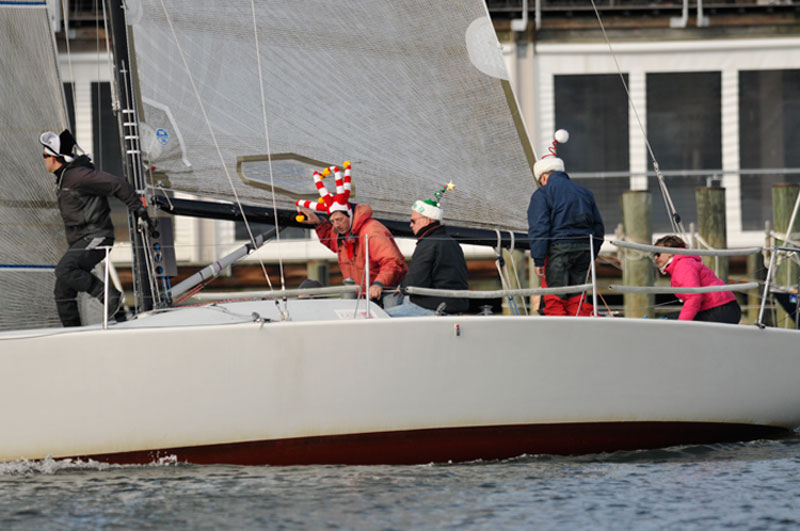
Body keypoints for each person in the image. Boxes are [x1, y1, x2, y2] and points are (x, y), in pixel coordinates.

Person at [41, 129, 150, 327]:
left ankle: (109, 295)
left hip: (97, 236)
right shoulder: (66, 177)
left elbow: (117, 184)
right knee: (62, 292)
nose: (44, 160)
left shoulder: (78, 175)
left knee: (64, 269)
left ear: (55, 158)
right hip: (82, 240)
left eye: (45, 156)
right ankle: (72, 335)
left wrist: (139, 211)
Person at [295, 161, 407, 303]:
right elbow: (332, 242)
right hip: (360, 296)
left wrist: (378, 284)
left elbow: (392, 262)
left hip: (383, 293)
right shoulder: (340, 231)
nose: (336, 224)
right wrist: (318, 222)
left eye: (340, 219)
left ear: (349, 215)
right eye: (333, 220)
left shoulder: (372, 230)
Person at [527, 129, 605, 316]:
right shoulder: (585, 193)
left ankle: (558, 337)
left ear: (543, 176)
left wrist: (538, 259)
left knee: (554, 298)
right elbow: (599, 228)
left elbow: (540, 227)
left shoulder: (543, 194)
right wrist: (591, 252)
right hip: (584, 250)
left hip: (559, 250)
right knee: (577, 299)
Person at [386, 182, 469, 317]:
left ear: (425, 221)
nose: (410, 225)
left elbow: (415, 282)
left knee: (383, 316)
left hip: (434, 307)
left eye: (413, 221)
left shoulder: (428, 244)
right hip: (454, 305)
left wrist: (401, 287)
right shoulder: (452, 242)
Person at [653, 235, 742, 324]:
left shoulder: (683, 265)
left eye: (658, 254)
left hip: (719, 310)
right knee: (671, 318)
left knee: (669, 320)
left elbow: (694, 297)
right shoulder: (685, 262)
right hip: (724, 308)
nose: (655, 258)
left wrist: (681, 324)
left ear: (670, 252)